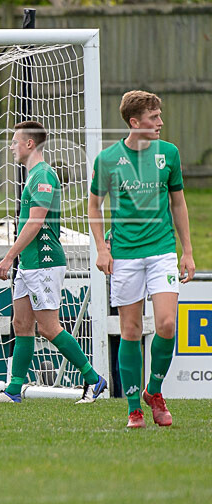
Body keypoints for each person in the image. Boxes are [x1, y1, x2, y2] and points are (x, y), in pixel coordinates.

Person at [0, 121, 107, 405]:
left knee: (49, 327)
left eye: (15, 141)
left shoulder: (44, 175)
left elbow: (36, 222)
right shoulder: (33, 175)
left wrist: (9, 256)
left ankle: (93, 379)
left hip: (45, 262)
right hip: (29, 263)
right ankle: (14, 390)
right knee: (21, 323)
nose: (11, 147)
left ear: (28, 144)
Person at [89, 91, 194, 428]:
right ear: (135, 123)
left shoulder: (169, 154)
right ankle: (135, 407)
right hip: (125, 256)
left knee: (166, 324)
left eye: (160, 116)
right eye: (154, 118)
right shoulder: (107, 160)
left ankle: (155, 391)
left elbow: (178, 203)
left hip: (162, 251)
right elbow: (93, 206)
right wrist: (102, 250)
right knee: (130, 330)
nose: (161, 123)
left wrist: (187, 251)